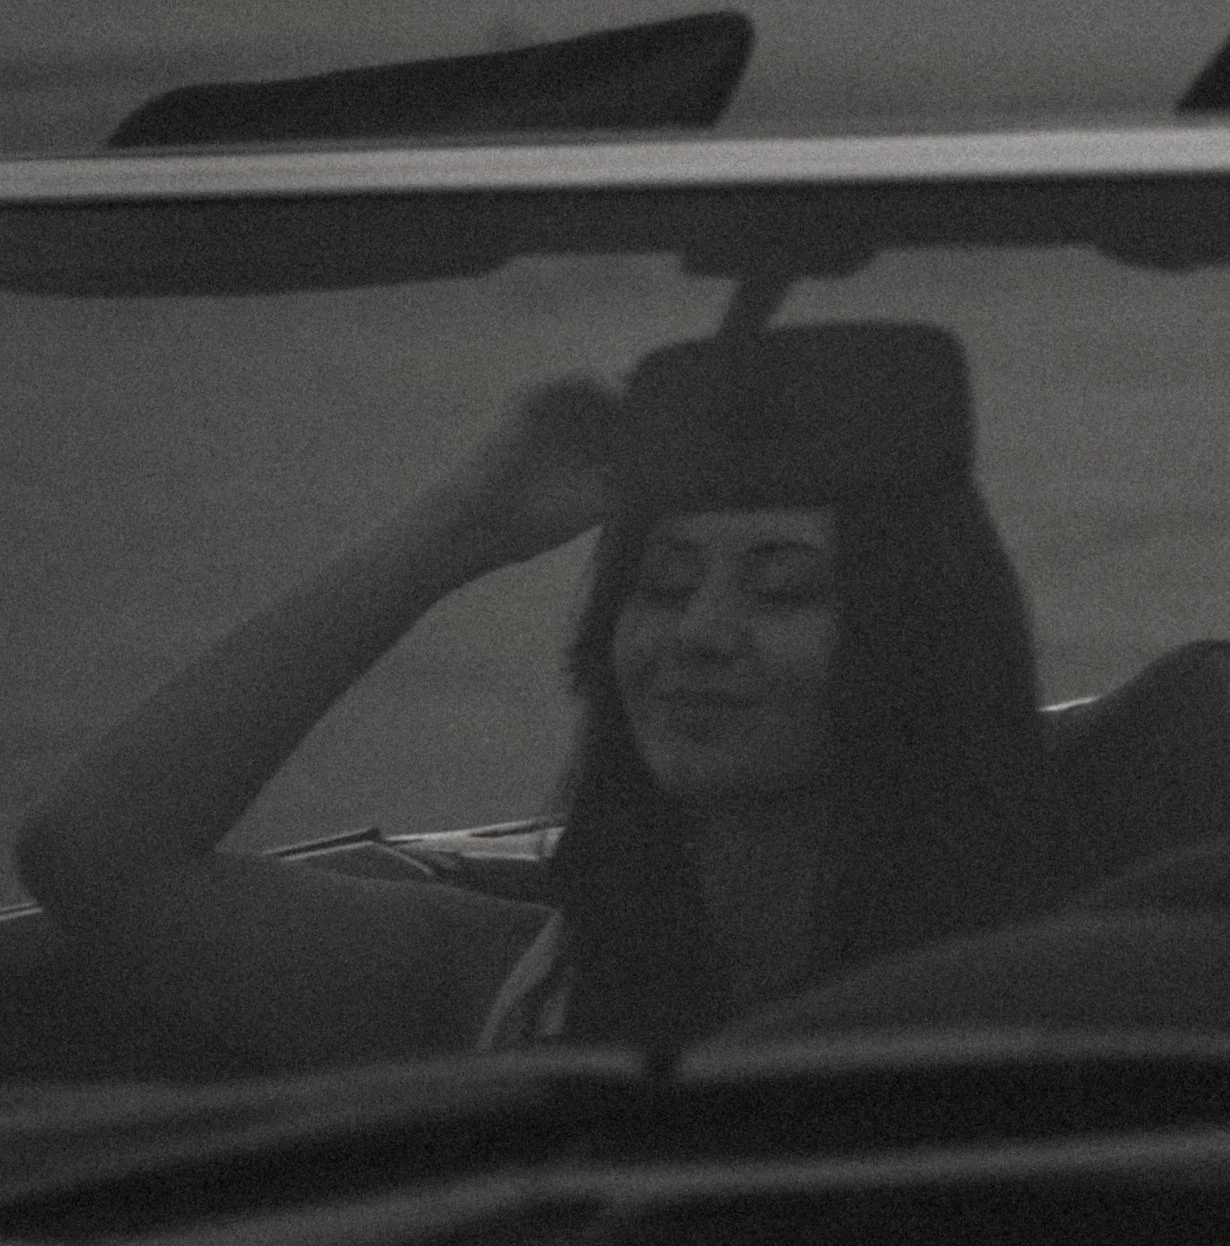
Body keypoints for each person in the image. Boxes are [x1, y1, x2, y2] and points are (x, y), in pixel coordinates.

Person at [15, 321, 1047, 1066]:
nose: (697, 636)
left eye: (782, 591)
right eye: (662, 584)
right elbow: (97, 858)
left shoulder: (1052, 996)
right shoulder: (520, 986)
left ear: (915, 646)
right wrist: (460, 528)